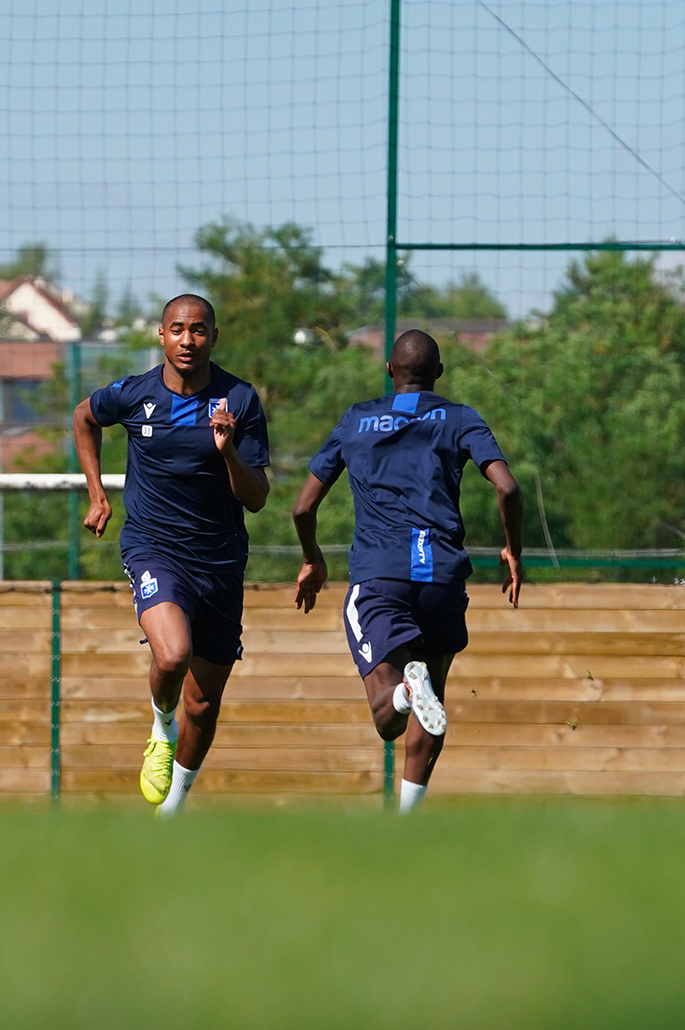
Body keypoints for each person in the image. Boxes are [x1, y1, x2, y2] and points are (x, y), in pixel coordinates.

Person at [289, 330, 522, 813]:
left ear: (389, 371)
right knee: (432, 705)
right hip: (441, 579)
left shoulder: (357, 419)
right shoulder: (460, 418)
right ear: (438, 374)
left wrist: (312, 557)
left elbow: (302, 507)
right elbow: (508, 488)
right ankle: (407, 821)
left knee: (388, 715)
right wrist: (512, 549)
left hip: (382, 576)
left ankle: (404, 692)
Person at [72, 294, 269, 814]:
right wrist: (97, 493)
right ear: (161, 336)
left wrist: (227, 450)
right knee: (172, 654)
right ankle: (160, 727)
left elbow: (256, 498)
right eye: (177, 330)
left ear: (213, 337)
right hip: (154, 547)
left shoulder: (240, 401)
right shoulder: (135, 395)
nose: (188, 340)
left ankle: (173, 810)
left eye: (199, 330)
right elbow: (83, 417)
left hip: (221, 560)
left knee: (203, 705)